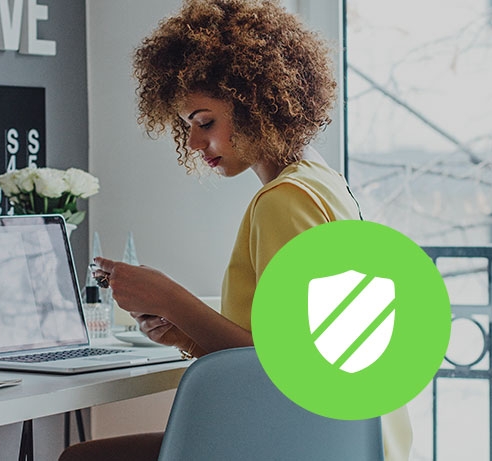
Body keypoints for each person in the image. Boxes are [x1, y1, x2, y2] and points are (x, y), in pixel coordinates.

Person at [59, 0, 413, 460]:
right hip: (353, 439)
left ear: (257, 103)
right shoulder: (325, 183)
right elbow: (294, 350)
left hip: (303, 442)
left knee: (82, 458)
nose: (191, 141)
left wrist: (170, 297)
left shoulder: (283, 201)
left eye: (205, 121)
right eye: (187, 125)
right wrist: (184, 332)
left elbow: (295, 367)